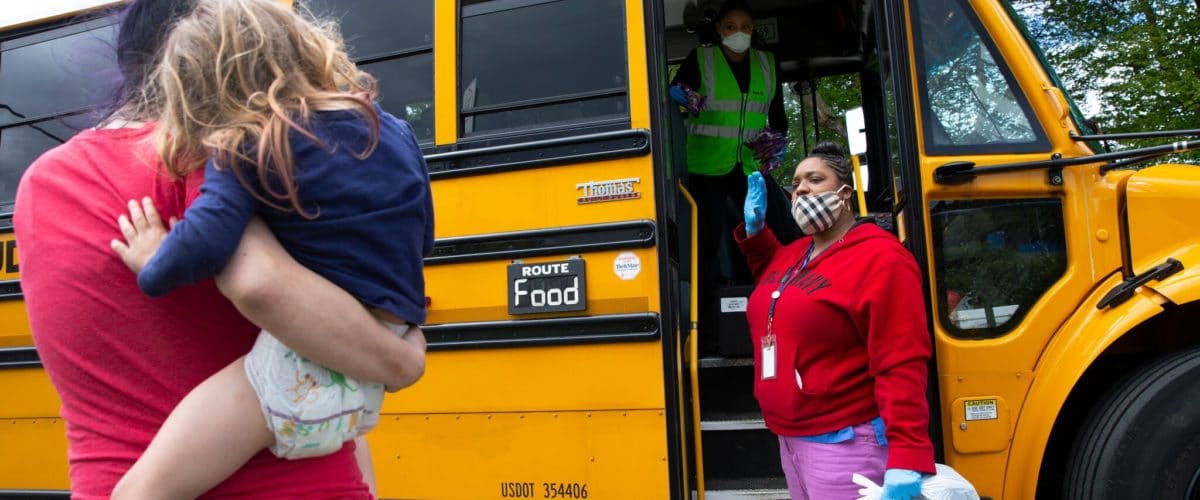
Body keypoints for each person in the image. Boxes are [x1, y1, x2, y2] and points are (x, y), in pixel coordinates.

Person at [13, 0, 425, 498]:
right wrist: (399, 359)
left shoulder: (39, 184)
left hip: (99, 479)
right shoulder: (206, 155)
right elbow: (268, 293)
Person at [736, 141, 935, 499]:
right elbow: (778, 289)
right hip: (791, 438)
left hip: (845, 442)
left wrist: (908, 454)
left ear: (844, 193)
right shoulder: (796, 252)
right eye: (796, 183)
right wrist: (757, 233)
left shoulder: (882, 258)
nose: (801, 189)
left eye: (814, 179)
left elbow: (901, 361)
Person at [669, 0, 794, 350]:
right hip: (705, 167)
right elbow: (675, 95)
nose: (739, 33)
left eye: (746, 27)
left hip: (748, 166)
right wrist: (687, 98)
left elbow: (778, 117)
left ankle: (774, 310)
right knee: (706, 243)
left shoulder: (768, 65)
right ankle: (705, 329)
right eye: (730, 26)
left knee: (772, 233)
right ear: (719, 29)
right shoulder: (702, 60)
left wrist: (773, 145)